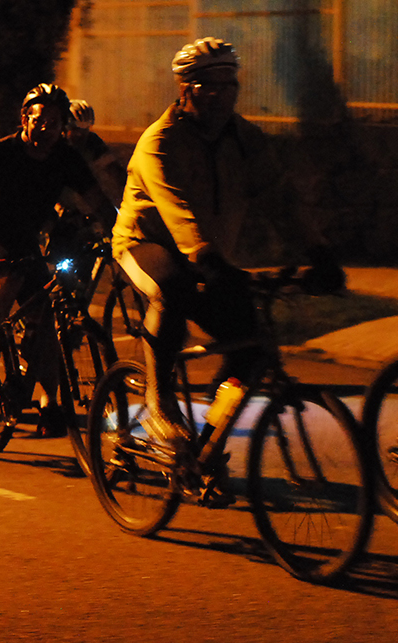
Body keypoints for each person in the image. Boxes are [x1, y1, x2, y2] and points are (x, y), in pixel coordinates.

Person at [111, 38, 343, 502]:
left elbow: (281, 200)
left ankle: (206, 449)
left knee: (250, 349)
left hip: (208, 256)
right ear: (185, 89)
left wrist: (319, 252)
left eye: (229, 84)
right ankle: (159, 404)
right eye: (208, 85)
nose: (221, 94)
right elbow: (177, 210)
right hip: (146, 244)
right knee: (171, 288)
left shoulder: (246, 140)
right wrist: (205, 256)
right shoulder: (160, 141)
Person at [0, 84, 114, 436]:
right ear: (25, 118)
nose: (47, 128)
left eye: (55, 123)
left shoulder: (66, 157)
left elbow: (100, 201)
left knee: (47, 317)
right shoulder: (0, 153)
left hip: (23, 237)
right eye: (40, 120)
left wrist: (119, 236)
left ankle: (50, 404)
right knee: (8, 281)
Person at [64, 99, 127, 209]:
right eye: (75, 129)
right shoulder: (56, 144)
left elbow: (115, 171)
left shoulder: (92, 142)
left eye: (85, 129)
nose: (80, 134)